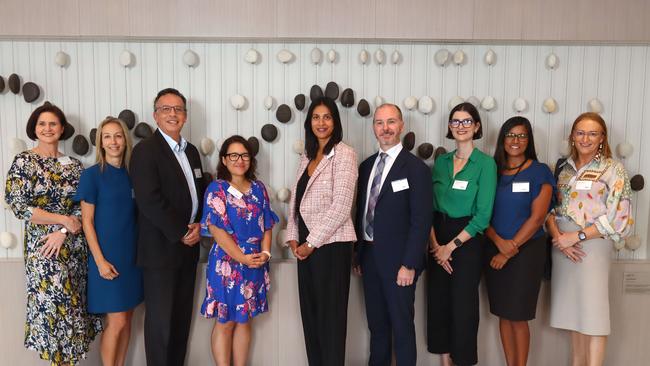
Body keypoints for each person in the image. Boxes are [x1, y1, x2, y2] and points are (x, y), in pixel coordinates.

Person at [4, 102, 102, 365]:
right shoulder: (25, 161)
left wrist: (63, 229)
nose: (48, 129)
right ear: (34, 129)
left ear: (62, 129)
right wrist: (61, 219)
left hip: (73, 246)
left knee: (72, 310)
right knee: (53, 308)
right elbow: (18, 205)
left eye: (53, 124)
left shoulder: (74, 165)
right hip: (43, 248)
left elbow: (86, 208)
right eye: (42, 124)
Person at [546, 112, 633, 366]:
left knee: (594, 315)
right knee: (574, 314)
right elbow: (549, 208)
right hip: (562, 247)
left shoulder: (613, 169)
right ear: (572, 136)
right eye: (580, 132)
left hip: (592, 247)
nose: (585, 138)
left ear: (602, 137)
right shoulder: (562, 168)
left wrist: (578, 236)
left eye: (592, 133)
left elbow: (620, 218)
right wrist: (560, 238)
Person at [130, 88, 206, 366]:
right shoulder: (145, 151)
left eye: (178, 109)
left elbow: (200, 193)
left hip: (188, 251)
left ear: (185, 116)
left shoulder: (192, 152)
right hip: (161, 252)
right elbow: (149, 200)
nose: (172, 114)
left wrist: (200, 226)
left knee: (180, 325)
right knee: (161, 327)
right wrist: (181, 232)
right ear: (155, 115)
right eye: (166, 109)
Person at [354, 103, 432, 366]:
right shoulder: (365, 167)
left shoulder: (416, 169)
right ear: (374, 127)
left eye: (391, 122)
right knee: (377, 328)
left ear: (401, 125)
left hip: (400, 263)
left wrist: (409, 264)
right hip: (370, 260)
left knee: (402, 328)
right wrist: (359, 256)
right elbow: (360, 212)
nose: (385, 128)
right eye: (379, 123)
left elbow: (421, 221)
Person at [285, 97, 358, 366]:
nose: (321, 122)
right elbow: (296, 199)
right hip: (305, 248)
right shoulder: (306, 155)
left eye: (327, 117)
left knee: (331, 320)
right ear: (309, 122)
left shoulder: (345, 153)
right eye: (316, 117)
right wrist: (292, 236)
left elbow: (341, 206)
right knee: (312, 316)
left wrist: (311, 243)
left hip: (331, 247)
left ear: (335, 121)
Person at [428, 102, 497, 366]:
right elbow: (429, 209)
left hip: (466, 241)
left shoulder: (485, 164)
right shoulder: (441, 162)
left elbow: (483, 216)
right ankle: (445, 361)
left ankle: (463, 361)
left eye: (467, 121)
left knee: (463, 308)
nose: (461, 126)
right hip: (437, 237)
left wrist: (451, 247)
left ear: (477, 126)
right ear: (449, 127)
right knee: (440, 303)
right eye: (455, 121)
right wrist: (436, 246)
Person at [200, 135, 278, 366]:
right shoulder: (217, 189)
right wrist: (241, 257)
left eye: (244, 155)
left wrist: (265, 254)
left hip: (254, 261)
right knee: (225, 321)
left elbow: (267, 224)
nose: (239, 160)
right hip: (227, 263)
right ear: (224, 160)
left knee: (245, 320)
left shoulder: (259, 189)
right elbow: (216, 230)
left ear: (250, 159)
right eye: (233, 155)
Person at [484, 117, 554, 366]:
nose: (515, 141)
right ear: (502, 139)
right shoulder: (492, 170)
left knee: (518, 316)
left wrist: (508, 250)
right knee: (503, 313)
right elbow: (481, 213)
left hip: (526, 253)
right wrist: (498, 243)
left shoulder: (540, 171)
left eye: (522, 136)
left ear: (529, 140)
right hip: (493, 249)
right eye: (510, 135)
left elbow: (537, 219)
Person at [75, 116, 143, 366]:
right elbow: (87, 222)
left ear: (125, 139)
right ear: (100, 143)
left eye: (118, 136)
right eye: (107, 136)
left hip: (133, 258)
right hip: (106, 259)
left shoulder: (134, 174)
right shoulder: (91, 176)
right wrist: (100, 261)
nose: (113, 141)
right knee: (116, 322)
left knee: (128, 320)